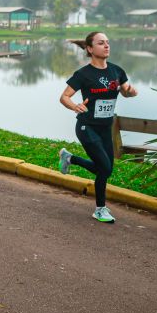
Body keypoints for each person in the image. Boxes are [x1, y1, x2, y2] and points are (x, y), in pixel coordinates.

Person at [59, 32, 138, 223]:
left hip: (105, 128)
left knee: (106, 169)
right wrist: (75, 106)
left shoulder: (117, 71)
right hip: (87, 127)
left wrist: (130, 92)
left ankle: (70, 158)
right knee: (104, 167)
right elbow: (64, 97)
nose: (106, 46)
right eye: (101, 43)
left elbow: (127, 92)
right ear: (90, 48)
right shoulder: (83, 74)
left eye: (108, 43)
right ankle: (100, 209)